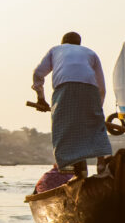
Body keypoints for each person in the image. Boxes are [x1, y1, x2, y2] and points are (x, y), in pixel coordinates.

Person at [32, 32, 112, 177]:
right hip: (90, 88)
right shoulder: (90, 53)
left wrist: (40, 98)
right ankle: (102, 162)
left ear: (63, 42)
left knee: (63, 126)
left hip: (65, 86)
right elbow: (101, 87)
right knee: (95, 125)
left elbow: (38, 73)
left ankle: (71, 168)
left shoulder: (56, 50)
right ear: (79, 44)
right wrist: (96, 112)